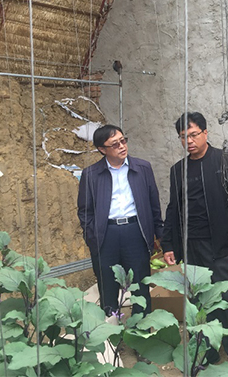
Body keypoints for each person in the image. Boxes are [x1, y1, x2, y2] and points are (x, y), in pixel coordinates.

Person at [161, 112, 228, 365]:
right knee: (198, 301)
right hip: (190, 246)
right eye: (183, 137)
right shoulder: (178, 170)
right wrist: (168, 244)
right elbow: (173, 208)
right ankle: (206, 353)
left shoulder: (226, 162)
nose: (189, 141)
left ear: (205, 133)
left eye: (193, 135)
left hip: (220, 245)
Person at [77, 124, 163, 318]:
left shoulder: (142, 168)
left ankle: (141, 331)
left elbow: (154, 204)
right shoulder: (91, 174)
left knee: (140, 287)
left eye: (123, 141)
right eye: (115, 144)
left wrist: (159, 235)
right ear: (102, 149)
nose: (122, 146)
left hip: (135, 232)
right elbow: (85, 211)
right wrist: (92, 236)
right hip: (106, 235)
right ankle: (111, 330)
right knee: (107, 287)